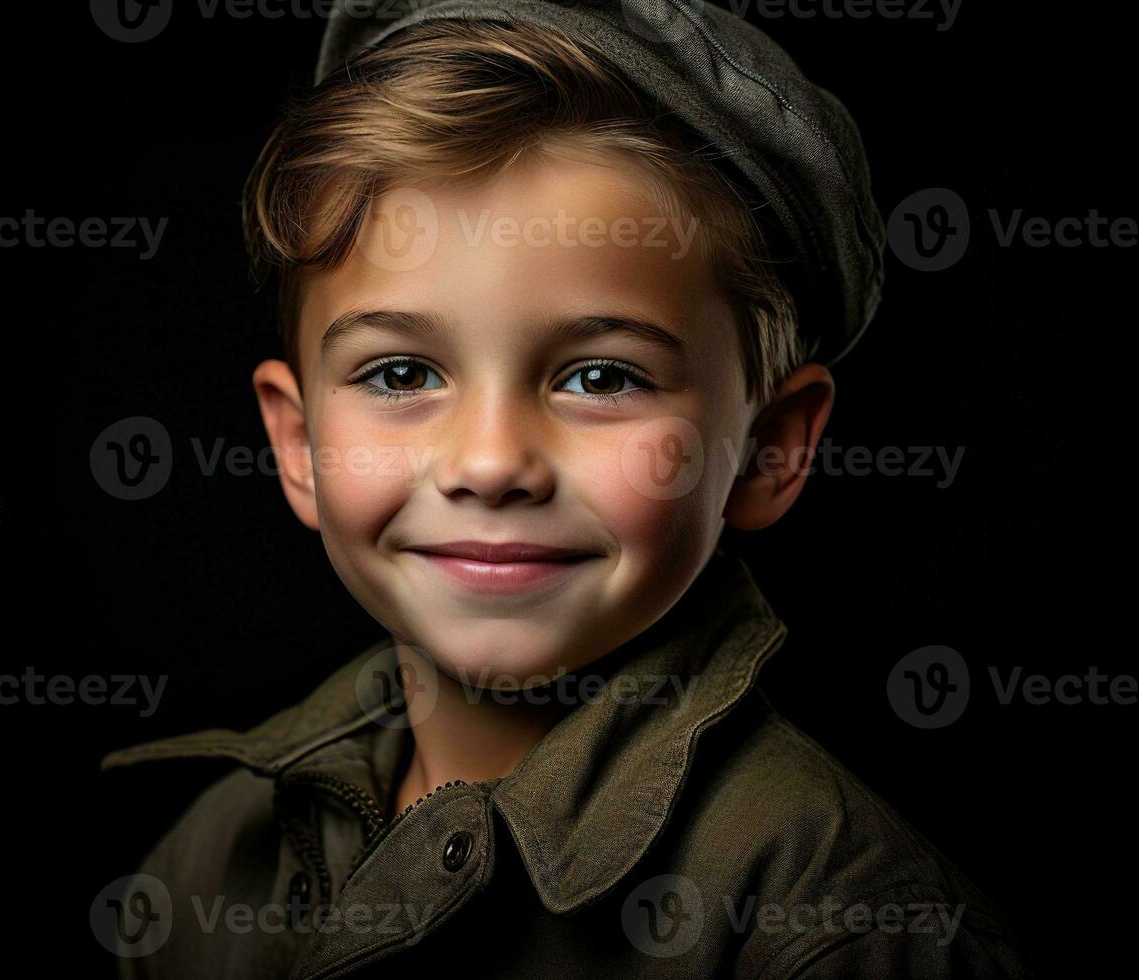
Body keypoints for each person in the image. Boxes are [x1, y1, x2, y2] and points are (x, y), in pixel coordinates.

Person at [102, 3, 1033, 976]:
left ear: (767, 448)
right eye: (401, 374)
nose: (491, 461)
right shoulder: (213, 856)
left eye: (600, 377)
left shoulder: (842, 931)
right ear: (298, 447)